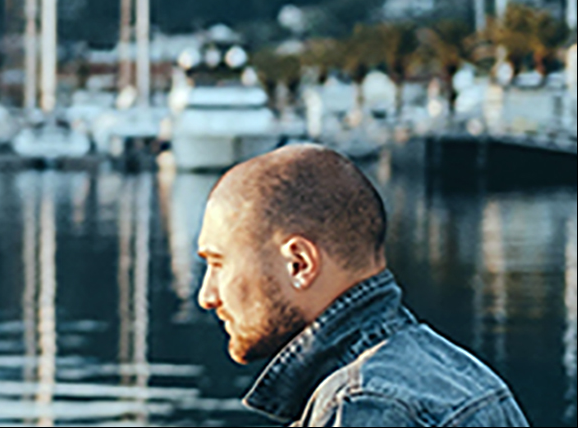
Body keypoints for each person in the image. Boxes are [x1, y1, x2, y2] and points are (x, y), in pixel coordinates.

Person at [196, 145, 529, 427]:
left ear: (299, 264)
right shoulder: (464, 375)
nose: (206, 296)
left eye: (218, 264)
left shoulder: (361, 404)